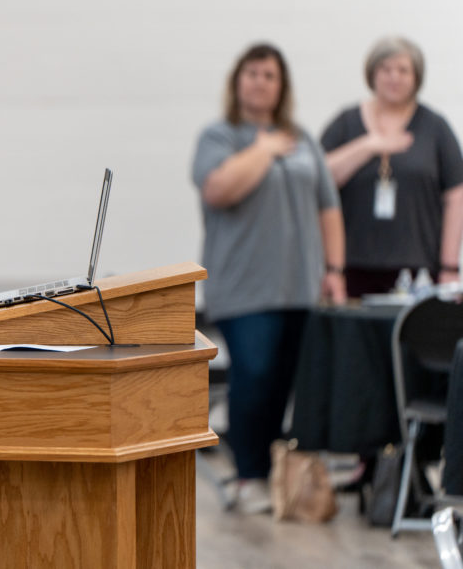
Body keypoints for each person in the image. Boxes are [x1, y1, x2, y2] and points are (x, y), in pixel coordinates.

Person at [192, 43, 346, 514]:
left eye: (270, 75)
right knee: (253, 377)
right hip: (244, 290)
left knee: (283, 383)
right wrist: (262, 148)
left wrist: (335, 270)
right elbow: (219, 189)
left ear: (282, 87)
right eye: (253, 73)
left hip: (298, 286)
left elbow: (328, 206)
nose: (260, 82)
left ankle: (277, 474)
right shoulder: (220, 137)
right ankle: (249, 476)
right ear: (238, 81)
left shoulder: (301, 139)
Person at [320, 36, 463, 297]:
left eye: (403, 70)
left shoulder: (435, 128)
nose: (394, 77)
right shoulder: (345, 123)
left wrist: (450, 266)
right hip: (351, 266)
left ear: (416, 77)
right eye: (386, 69)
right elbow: (319, 178)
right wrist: (368, 146)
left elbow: (457, 196)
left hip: (418, 269)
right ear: (372, 73)